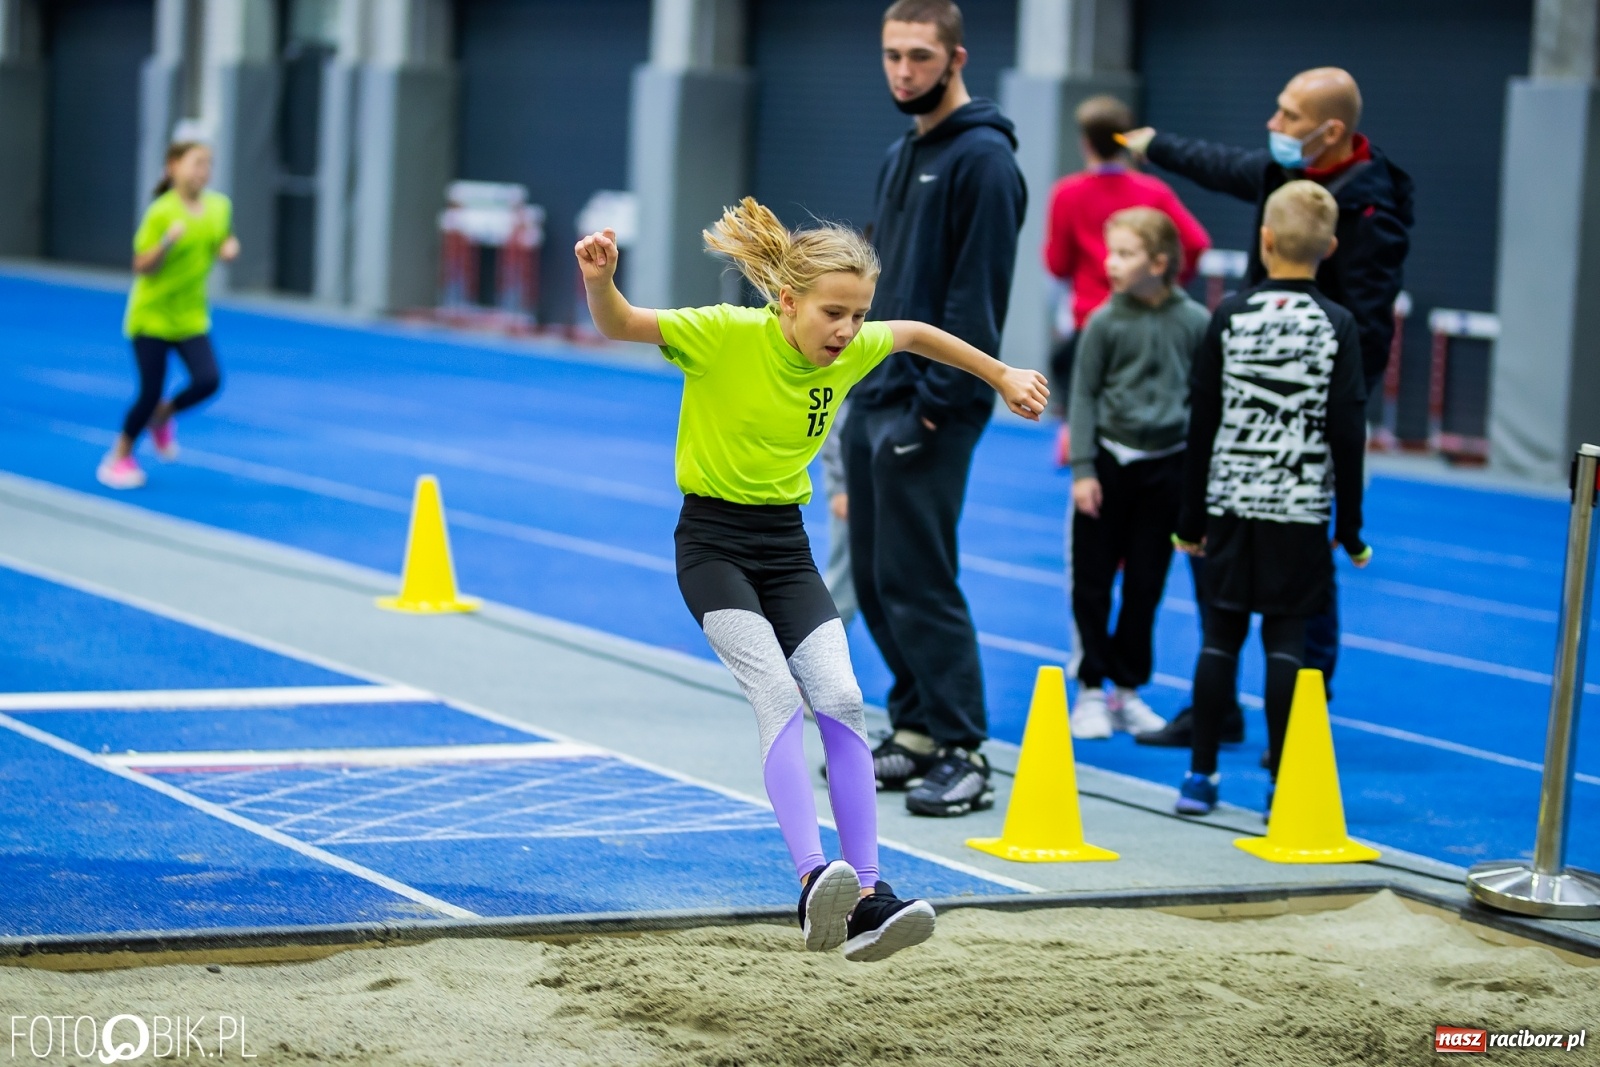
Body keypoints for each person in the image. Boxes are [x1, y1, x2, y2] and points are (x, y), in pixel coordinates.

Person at [573, 198, 1048, 960]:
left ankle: (867, 894)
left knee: (845, 699)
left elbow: (919, 334)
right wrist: (600, 281)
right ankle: (809, 880)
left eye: (859, 315)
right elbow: (623, 323)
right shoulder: (724, 334)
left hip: (786, 548)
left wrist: (1000, 374)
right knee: (776, 693)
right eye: (834, 313)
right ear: (787, 300)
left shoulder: (854, 348)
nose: (847, 332)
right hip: (713, 547)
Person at [1122, 67, 1411, 745]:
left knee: (1305, 573)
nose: (1272, 127)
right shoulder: (1286, 174)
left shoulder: (1370, 208)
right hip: (1247, 408)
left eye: (1285, 115)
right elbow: (1223, 164)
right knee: (1218, 550)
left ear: (1330, 131)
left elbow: (1369, 327)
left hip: (1311, 416)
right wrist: (1155, 143)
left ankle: (1305, 713)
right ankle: (1217, 705)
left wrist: (1325, 411)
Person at [845, 0, 1027, 818]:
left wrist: (934, 405)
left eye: (919, 56)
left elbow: (976, 294)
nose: (902, 71)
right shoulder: (899, 153)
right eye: (891, 55)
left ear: (956, 58)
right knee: (880, 577)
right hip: (874, 395)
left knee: (920, 575)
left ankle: (963, 748)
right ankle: (914, 728)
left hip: (929, 407)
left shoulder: (984, 161)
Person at [1171, 181, 1371, 817]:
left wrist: (1190, 518)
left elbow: (1201, 421)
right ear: (1331, 248)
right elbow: (1348, 430)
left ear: (1263, 240)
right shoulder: (1337, 324)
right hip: (1299, 510)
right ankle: (1282, 784)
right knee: (1286, 644)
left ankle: (1200, 776)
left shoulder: (1229, 314)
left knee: (1218, 641)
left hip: (1229, 504)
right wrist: (1351, 527)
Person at [1043, 94, 1209, 679]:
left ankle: (1121, 680)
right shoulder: (1156, 192)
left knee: (1143, 575)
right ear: (1126, 139)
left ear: (1087, 141)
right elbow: (1200, 242)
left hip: (1108, 324)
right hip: (1105, 331)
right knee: (1095, 566)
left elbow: (1057, 263)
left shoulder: (1068, 193)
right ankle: (1095, 677)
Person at [1067, 208, 1210, 740]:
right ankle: (1089, 690)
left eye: (1125, 254)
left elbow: (1204, 400)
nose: (1111, 264)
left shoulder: (1195, 322)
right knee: (1093, 583)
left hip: (1166, 469)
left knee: (1147, 584)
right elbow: (1084, 395)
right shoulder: (1104, 321)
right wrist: (1083, 469)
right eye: (1111, 251)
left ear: (1160, 262)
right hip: (1108, 464)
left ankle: (1126, 691)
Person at [97, 140, 238, 490]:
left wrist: (227, 247)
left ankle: (164, 416)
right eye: (196, 163)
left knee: (209, 381)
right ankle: (118, 457)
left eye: (208, 164)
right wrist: (166, 244)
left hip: (190, 315)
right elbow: (141, 265)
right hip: (153, 316)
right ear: (173, 166)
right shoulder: (161, 212)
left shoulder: (219, 206)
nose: (203, 171)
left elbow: (220, 237)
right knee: (149, 390)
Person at [818, 400, 858, 627]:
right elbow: (832, 426)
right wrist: (839, 488)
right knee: (844, 573)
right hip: (851, 485)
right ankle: (823, 637)